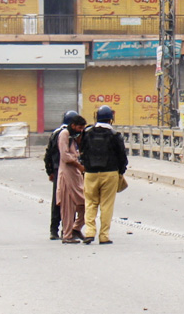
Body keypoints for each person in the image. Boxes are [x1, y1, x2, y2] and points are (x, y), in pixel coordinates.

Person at [80, 105, 128, 245]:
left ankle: (89, 232)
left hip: (90, 173)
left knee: (90, 203)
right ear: (111, 119)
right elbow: (122, 156)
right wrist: (121, 171)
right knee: (106, 205)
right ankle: (104, 236)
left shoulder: (87, 133)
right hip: (110, 173)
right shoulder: (114, 135)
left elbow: (82, 152)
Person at [45, 111, 78, 241]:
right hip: (69, 171)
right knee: (71, 201)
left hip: (57, 170)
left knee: (57, 201)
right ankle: (68, 229)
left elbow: (48, 154)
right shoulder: (70, 135)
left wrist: (50, 171)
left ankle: (54, 230)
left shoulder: (55, 134)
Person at [57, 113, 87, 244]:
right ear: (73, 125)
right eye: (79, 128)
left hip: (75, 176)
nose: (80, 131)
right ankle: (67, 235)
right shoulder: (64, 134)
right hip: (67, 175)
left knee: (86, 204)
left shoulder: (73, 137)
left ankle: (76, 228)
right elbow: (65, 156)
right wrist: (78, 165)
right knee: (68, 207)